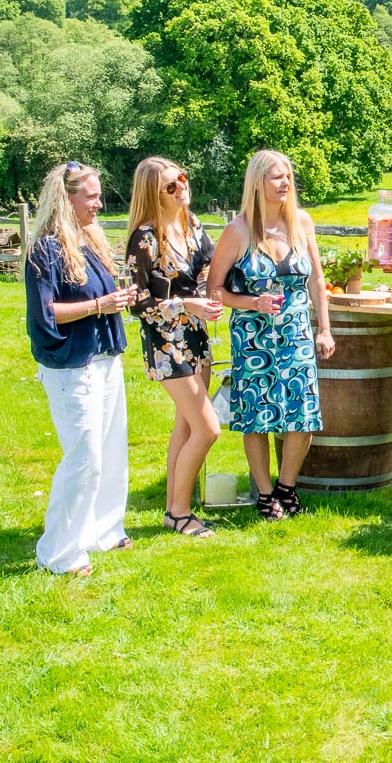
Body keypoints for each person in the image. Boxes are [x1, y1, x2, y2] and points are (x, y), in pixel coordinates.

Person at [205, 150, 334, 521]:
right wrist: (250, 302)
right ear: (257, 183)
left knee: (304, 415)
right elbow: (215, 291)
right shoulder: (238, 231)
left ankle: (286, 487)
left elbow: (316, 279)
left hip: (296, 336)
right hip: (253, 338)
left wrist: (323, 328)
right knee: (257, 416)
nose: (285, 183)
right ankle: (265, 494)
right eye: (276, 177)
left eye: (288, 177)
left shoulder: (301, 223)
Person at [24, 161, 139, 576]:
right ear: (66, 198)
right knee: (84, 456)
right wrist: (98, 306)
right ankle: (60, 553)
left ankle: (104, 531)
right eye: (90, 195)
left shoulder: (90, 242)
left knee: (110, 450)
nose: (99, 203)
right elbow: (44, 314)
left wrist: (117, 298)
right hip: (73, 365)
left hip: (105, 358)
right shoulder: (46, 250)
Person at [126, 157, 223, 538]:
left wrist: (208, 293)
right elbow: (136, 302)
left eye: (182, 178)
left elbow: (211, 267)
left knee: (185, 426)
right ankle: (182, 512)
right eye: (171, 185)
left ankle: (173, 510)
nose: (181, 187)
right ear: (154, 193)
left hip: (198, 338)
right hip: (166, 344)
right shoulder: (145, 237)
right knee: (207, 428)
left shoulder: (192, 225)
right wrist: (186, 305)